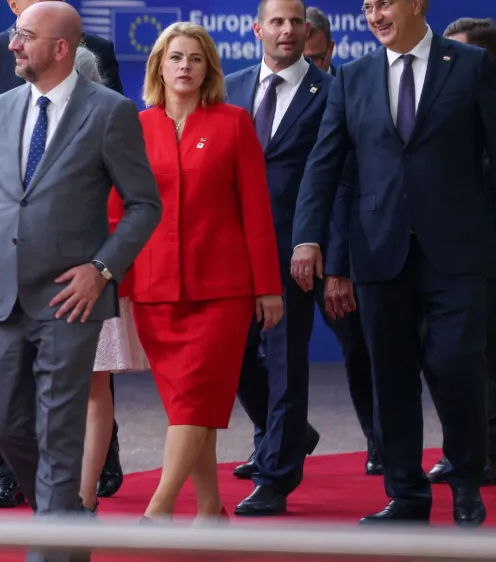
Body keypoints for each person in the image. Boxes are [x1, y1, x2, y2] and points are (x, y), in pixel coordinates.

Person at [291, 0, 496, 527]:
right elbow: (324, 164)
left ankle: (467, 483)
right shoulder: (352, 77)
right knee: (391, 376)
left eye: (386, 3)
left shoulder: (468, 67)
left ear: (418, 4)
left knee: (456, 365)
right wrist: (309, 239)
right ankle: (406, 495)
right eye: (368, 6)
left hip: (457, 250)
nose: (375, 14)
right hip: (377, 251)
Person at [0, 3, 161, 560]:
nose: (11, 46)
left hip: (72, 302)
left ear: (60, 48)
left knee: (59, 430)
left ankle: (50, 547)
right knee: (1, 421)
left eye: (24, 37)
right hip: (2, 299)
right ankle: (68, 520)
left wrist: (102, 270)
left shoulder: (110, 112)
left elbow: (145, 205)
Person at [121, 21, 282, 522]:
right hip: (154, 291)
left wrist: (268, 288)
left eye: (195, 58)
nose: (185, 66)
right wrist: (116, 285)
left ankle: (159, 509)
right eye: (175, 58)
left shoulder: (233, 122)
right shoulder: (135, 128)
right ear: (159, 67)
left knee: (194, 401)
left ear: (208, 67)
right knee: (192, 408)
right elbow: (118, 211)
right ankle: (210, 510)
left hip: (222, 293)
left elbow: (256, 212)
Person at [224, 0, 329, 516]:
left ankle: (276, 475)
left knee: (286, 359)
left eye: (295, 23)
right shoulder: (229, 87)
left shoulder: (331, 91)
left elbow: (334, 175)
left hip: (294, 250)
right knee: (235, 357)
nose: (287, 31)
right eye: (277, 22)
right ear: (257, 28)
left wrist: (318, 241)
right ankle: (288, 432)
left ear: (306, 30)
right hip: (231, 248)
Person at [426, 16, 496, 488]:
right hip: (436, 252)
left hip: (490, 252)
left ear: (483, 60)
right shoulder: (437, 106)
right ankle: (457, 449)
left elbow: (491, 182)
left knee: (491, 354)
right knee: (443, 355)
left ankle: (489, 454)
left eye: (455, 53)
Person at [73, 45, 151, 515]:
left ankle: (82, 497)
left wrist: (106, 267)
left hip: (96, 275)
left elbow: (136, 204)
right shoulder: (16, 119)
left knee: (92, 386)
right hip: (33, 278)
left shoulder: (114, 123)